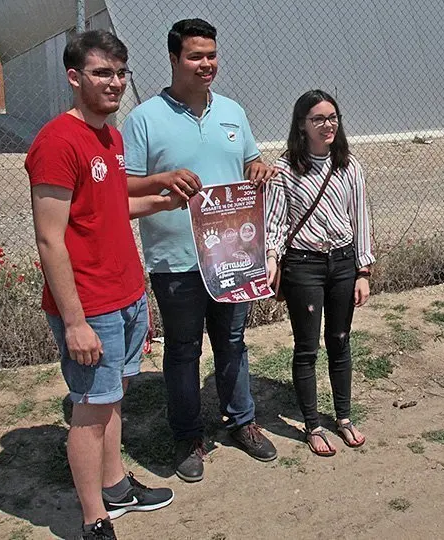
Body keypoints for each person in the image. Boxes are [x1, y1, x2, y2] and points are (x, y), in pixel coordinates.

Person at [26, 30, 180, 540]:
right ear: (74, 77)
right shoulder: (56, 142)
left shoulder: (111, 138)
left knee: (113, 398)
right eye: (101, 73)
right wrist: (74, 322)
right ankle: (94, 517)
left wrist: (159, 201)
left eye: (120, 73)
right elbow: (50, 239)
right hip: (90, 305)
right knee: (90, 410)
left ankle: (116, 486)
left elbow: (110, 208)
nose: (114, 83)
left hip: (127, 294)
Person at [122, 18, 278, 483]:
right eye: (195, 56)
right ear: (174, 59)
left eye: (211, 55)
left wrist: (259, 168)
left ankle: (241, 421)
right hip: (178, 262)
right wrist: (162, 180)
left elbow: (248, 160)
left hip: (231, 257)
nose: (206, 64)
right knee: (184, 350)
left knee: (233, 342)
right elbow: (123, 186)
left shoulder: (233, 112)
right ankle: (188, 435)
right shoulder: (144, 119)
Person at [266, 90, 375, 457]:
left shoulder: (349, 166)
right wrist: (272, 258)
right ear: (301, 125)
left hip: (343, 264)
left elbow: (360, 220)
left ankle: (343, 417)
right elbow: (277, 222)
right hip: (304, 266)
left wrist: (364, 271)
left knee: (340, 340)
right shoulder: (284, 169)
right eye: (319, 119)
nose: (328, 125)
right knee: (307, 347)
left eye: (333, 118)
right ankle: (313, 424)